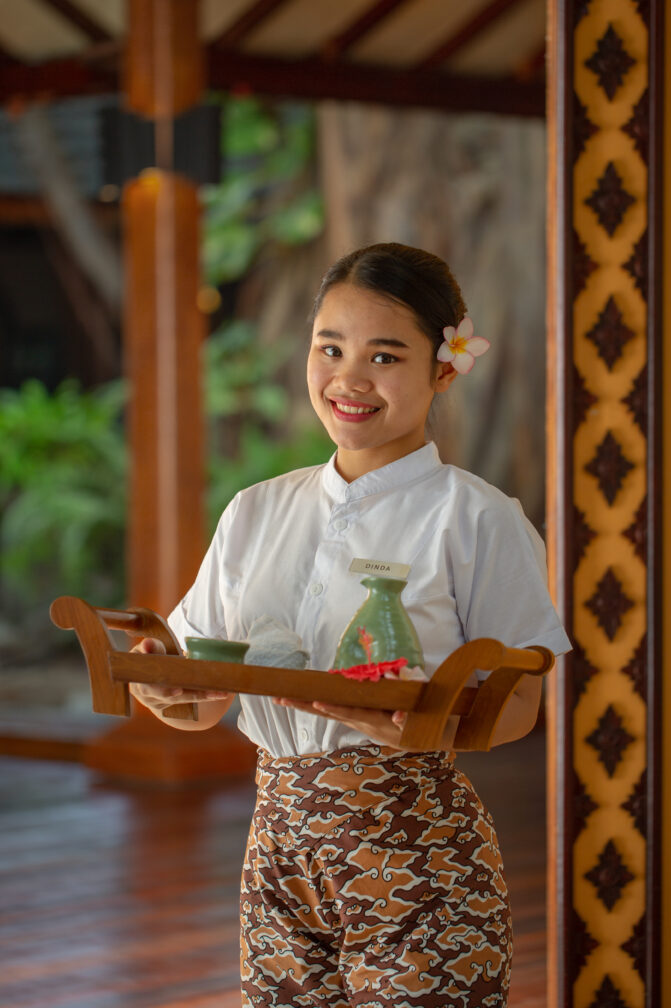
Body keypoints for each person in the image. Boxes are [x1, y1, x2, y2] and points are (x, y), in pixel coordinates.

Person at [130, 243, 571, 1007]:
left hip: (417, 851)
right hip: (276, 853)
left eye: (385, 356)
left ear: (443, 367)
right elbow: (201, 698)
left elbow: (523, 707)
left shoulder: (475, 518)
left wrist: (427, 730)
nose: (349, 379)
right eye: (329, 348)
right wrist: (163, 688)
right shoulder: (255, 511)